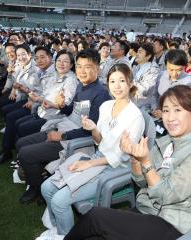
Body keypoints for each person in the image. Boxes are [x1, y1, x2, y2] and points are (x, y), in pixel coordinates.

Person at [64, 85, 191, 240]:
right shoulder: (166, 143)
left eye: (178, 110)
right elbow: (142, 183)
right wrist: (135, 159)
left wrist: (146, 162)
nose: (170, 117)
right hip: (150, 212)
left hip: (176, 226)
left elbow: (166, 195)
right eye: (165, 110)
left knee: (95, 217)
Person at [36, 63, 145, 240]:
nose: (116, 86)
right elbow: (100, 141)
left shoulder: (135, 116)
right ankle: (58, 230)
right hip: (97, 158)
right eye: (112, 81)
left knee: (59, 201)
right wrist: (93, 128)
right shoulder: (106, 106)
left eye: (122, 81)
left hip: (115, 168)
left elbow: (120, 156)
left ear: (130, 83)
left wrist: (88, 163)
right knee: (46, 187)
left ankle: (66, 236)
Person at [15, 49, 111, 204]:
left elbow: (91, 132)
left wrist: (62, 136)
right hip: (65, 129)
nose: (82, 71)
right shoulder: (81, 86)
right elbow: (71, 110)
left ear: (97, 68)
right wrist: (58, 105)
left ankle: (36, 189)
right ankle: (38, 180)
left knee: (26, 153)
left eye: (87, 67)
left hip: (76, 142)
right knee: (21, 143)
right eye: (79, 66)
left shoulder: (100, 95)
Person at [0, 44, 40, 166]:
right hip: (28, 98)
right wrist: (13, 87)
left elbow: (37, 89)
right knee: (8, 111)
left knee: (12, 116)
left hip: (36, 103)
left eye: (23, 54)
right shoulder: (21, 65)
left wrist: (23, 90)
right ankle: (7, 147)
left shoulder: (36, 69)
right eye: (18, 55)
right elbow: (16, 80)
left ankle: (6, 150)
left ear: (30, 54)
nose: (20, 57)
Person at [14, 50, 78, 139]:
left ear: (71, 65)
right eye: (59, 60)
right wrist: (37, 98)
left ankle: (21, 148)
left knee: (22, 128)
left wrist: (51, 104)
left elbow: (66, 106)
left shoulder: (71, 80)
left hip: (54, 117)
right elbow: (45, 95)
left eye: (65, 61)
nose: (61, 63)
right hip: (42, 111)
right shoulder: (54, 75)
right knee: (18, 123)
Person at [151, 49, 191, 119]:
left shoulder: (190, 84)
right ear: (166, 65)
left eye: (178, 70)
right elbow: (155, 95)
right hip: (157, 116)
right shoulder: (161, 75)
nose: (174, 74)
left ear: (184, 67)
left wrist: (165, 114)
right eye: (170, 69)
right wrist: (154, 108)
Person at [132, 43, 160, 111]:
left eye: (140, 52)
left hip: (144, 107)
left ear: (148, 56)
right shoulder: (137, 67)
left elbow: (144, 91)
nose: (137, 54)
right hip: (133, 103)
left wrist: (130, 82)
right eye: (137, 51)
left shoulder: (153, 70)